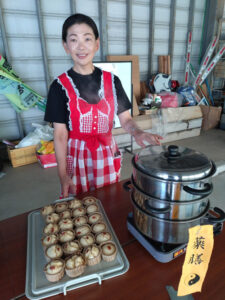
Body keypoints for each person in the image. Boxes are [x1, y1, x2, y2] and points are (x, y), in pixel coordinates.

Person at [44, 13, 162, 198]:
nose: (81, 46)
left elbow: (126, 119)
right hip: (76, 157)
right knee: (79, 204)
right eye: (73, 40)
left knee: (108, 201)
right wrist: (62, 174)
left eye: (87, 39)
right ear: (66, 46)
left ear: (96, 44)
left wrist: (138, 132)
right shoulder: (59, 87)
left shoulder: (112, 81)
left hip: (105, 153)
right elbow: (59, 134)